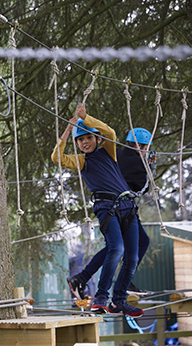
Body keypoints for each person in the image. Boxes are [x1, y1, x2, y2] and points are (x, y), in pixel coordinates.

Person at [51, 104, 143, 317]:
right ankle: (101, 297)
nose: (85, 143)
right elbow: (58, 158)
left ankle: (118, 301)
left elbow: (110, 132)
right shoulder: (82, 161)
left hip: (127, 207)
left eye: (88, 138)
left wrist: (87, 118)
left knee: (132, 257)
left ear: (97, 140)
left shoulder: (108, 152)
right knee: (116, 249)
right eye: (80, 140)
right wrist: (68, 130)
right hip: (106, 208)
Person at [67, 127, 154, 299]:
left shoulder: (115, 153)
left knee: (116, 247)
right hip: (122, 207)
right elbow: (141, 187)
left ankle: (84, 278)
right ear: (141, 146)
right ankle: (94, 281)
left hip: (113, 206)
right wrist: (148, 167)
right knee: (128, 245)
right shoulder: (136, 161)